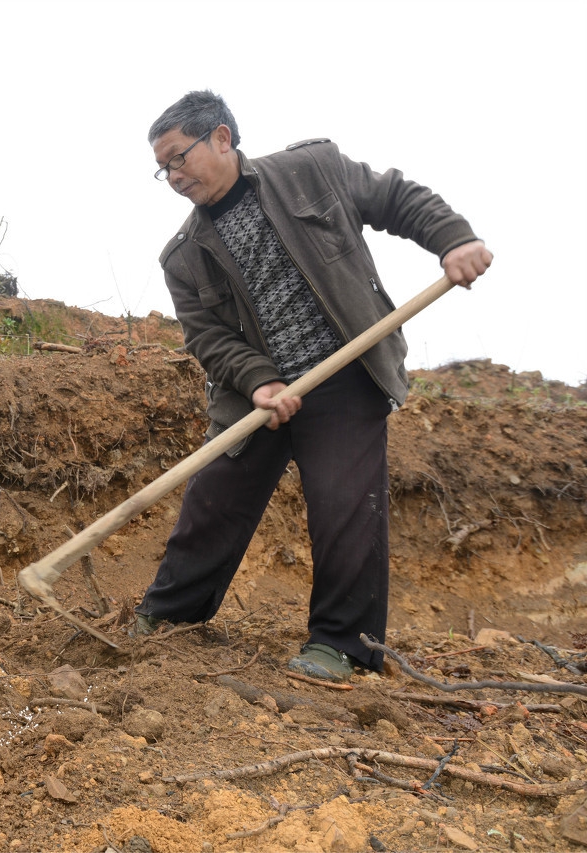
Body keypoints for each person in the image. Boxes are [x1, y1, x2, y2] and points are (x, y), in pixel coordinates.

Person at [132, 91, 492, 681]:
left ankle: (342, 646)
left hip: (346, 375)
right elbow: (209, 339)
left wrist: (452, 238)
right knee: (212, 501)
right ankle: (169, 618)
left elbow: (395, 197)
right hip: (260, 395)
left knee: (345, 509)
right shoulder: (184, 255)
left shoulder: (311, 170)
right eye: (162, 168)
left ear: (221, 138)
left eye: (178, 159)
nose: (172, 177)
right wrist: (260, 382)